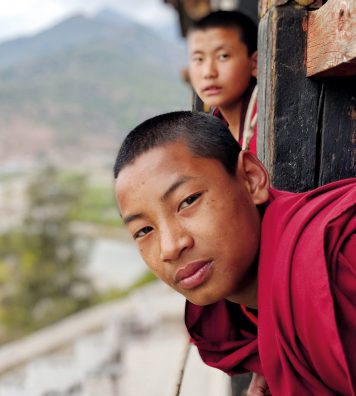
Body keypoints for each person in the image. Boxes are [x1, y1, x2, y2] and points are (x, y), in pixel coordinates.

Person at [113, 111, 356, 396]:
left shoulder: (342, 255)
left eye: (188, 201)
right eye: (144, 231)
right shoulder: (239, 320)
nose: (169, 247)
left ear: (251, 178)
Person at [187, 11, 258, 153]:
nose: (208, 73)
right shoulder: (215, 128)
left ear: (255, 63)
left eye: (223, 56)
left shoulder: (269, 122)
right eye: (199, 59)